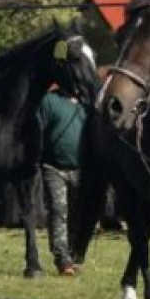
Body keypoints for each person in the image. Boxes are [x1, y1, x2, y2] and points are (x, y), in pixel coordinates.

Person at [36, 85, 86, 276]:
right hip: (53, 168)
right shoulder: (49, 101)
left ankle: (72, 255)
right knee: (58, 211)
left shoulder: (86, 105)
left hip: (81, 169)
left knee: (78, 215)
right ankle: (62, 260)